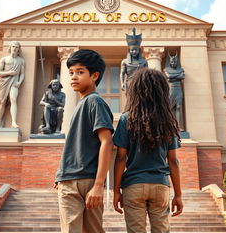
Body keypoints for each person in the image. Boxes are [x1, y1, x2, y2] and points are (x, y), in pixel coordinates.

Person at [113, 68, 183, 233]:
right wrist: (178, 195)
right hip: (160, 185)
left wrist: (116, 191)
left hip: (133, 186)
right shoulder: (167, 120)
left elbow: (120, 158)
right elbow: (173, 160)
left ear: (135, 91)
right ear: (162, 92)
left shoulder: (126, 119)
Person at [54, 49, 114, 233]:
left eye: (80, 72)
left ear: (95, 75)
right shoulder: (81, 104)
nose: (73, 77)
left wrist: (98, 185)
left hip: (87, 181)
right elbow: (74, 144)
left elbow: (107, 142)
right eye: (71, 72)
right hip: (69, 178)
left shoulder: (95, 102)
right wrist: (60, 173)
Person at [0, 41, 25, 128]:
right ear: (10, 47)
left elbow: (22, 73)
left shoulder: (21, 61)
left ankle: (14, 122)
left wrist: (19, 82)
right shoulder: (4, 59)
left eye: (16, 47)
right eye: (13, 47)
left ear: (19, 49)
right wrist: (9, 73)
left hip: (15, 83)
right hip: (4, 82)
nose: (15, 49)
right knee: (3, 102)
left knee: (13, 99)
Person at [120, 28, 148, 92]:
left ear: (139, 50)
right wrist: (122, 83)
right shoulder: (124, 62)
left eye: (136, 50)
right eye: (132, 50)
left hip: (141, 85)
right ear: (129, 51)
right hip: (129, 84)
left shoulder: (144, 62)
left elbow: (146, 75)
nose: (134, 52)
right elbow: (122, 73)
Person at [164, 51, 185, 130]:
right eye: (172, 61)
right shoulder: (166, 69)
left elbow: (182, 76)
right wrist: (177, 76)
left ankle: (179, 126)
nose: (173, 63)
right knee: (171, 107)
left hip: (178, 89)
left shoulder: (181, 70)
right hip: (171, 90)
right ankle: (172, 125)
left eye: (175, 61)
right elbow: (168, 76)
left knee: (178, 107)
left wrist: (173, 77)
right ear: (169, 62)